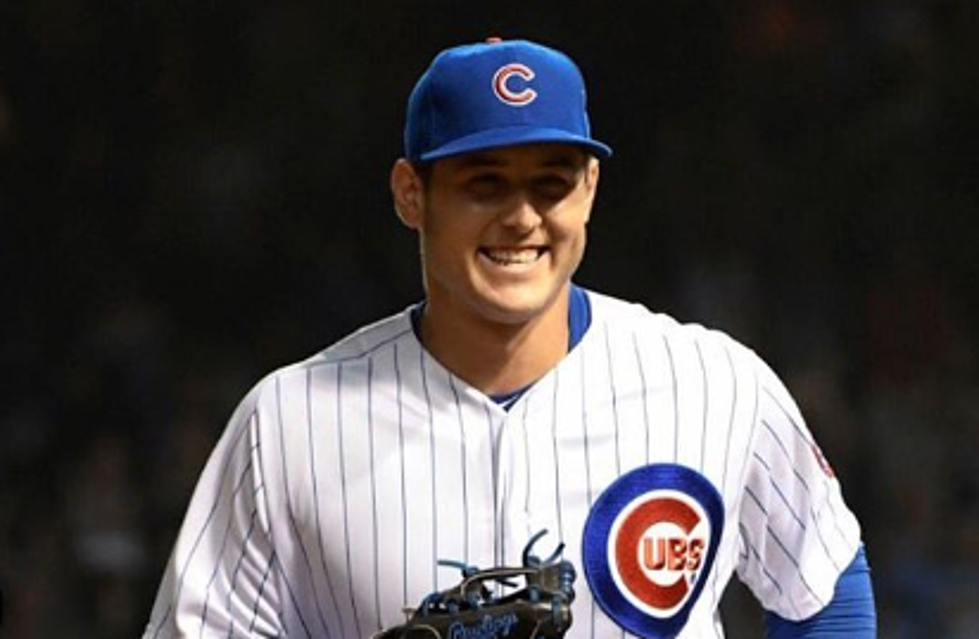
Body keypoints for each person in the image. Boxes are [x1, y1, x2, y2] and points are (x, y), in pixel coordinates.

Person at [142, 37, 876, 638]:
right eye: (484, 183)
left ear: (588, 189)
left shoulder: (716, 384)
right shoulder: (288, 421)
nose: (522, 218)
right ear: (410, 194)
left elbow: (824, 586)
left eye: (550, 183)